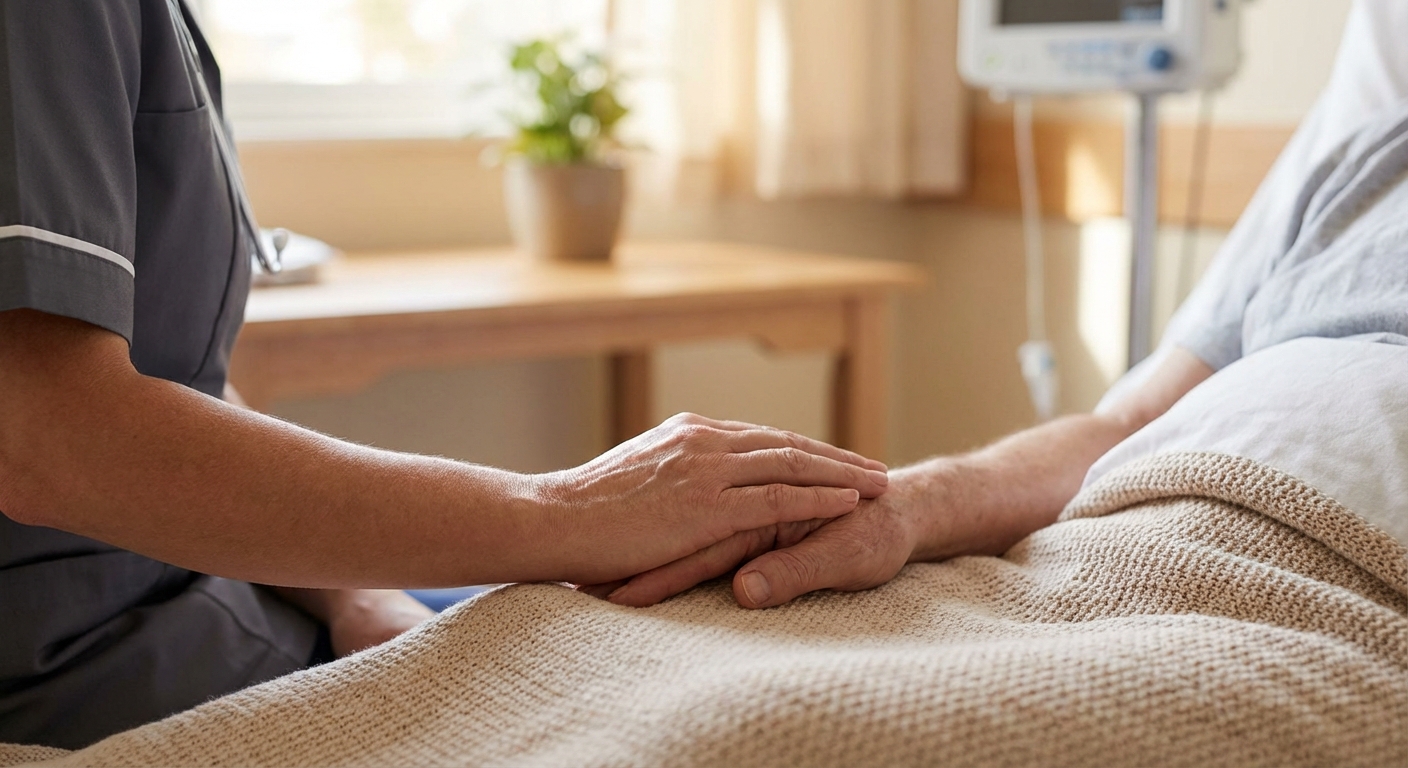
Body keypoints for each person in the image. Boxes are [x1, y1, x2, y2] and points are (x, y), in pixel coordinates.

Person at [0, 0, 889, 749]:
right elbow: (52, 436)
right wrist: (572, 511)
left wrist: (359, 596)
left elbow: (174, 380)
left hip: (222, 603)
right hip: (99, 666)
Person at [592, 0, 1408, 610]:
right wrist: (900, 507)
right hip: (1101, 554)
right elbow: (1124, 426)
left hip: (1329, 606)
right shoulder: (1363, 164)